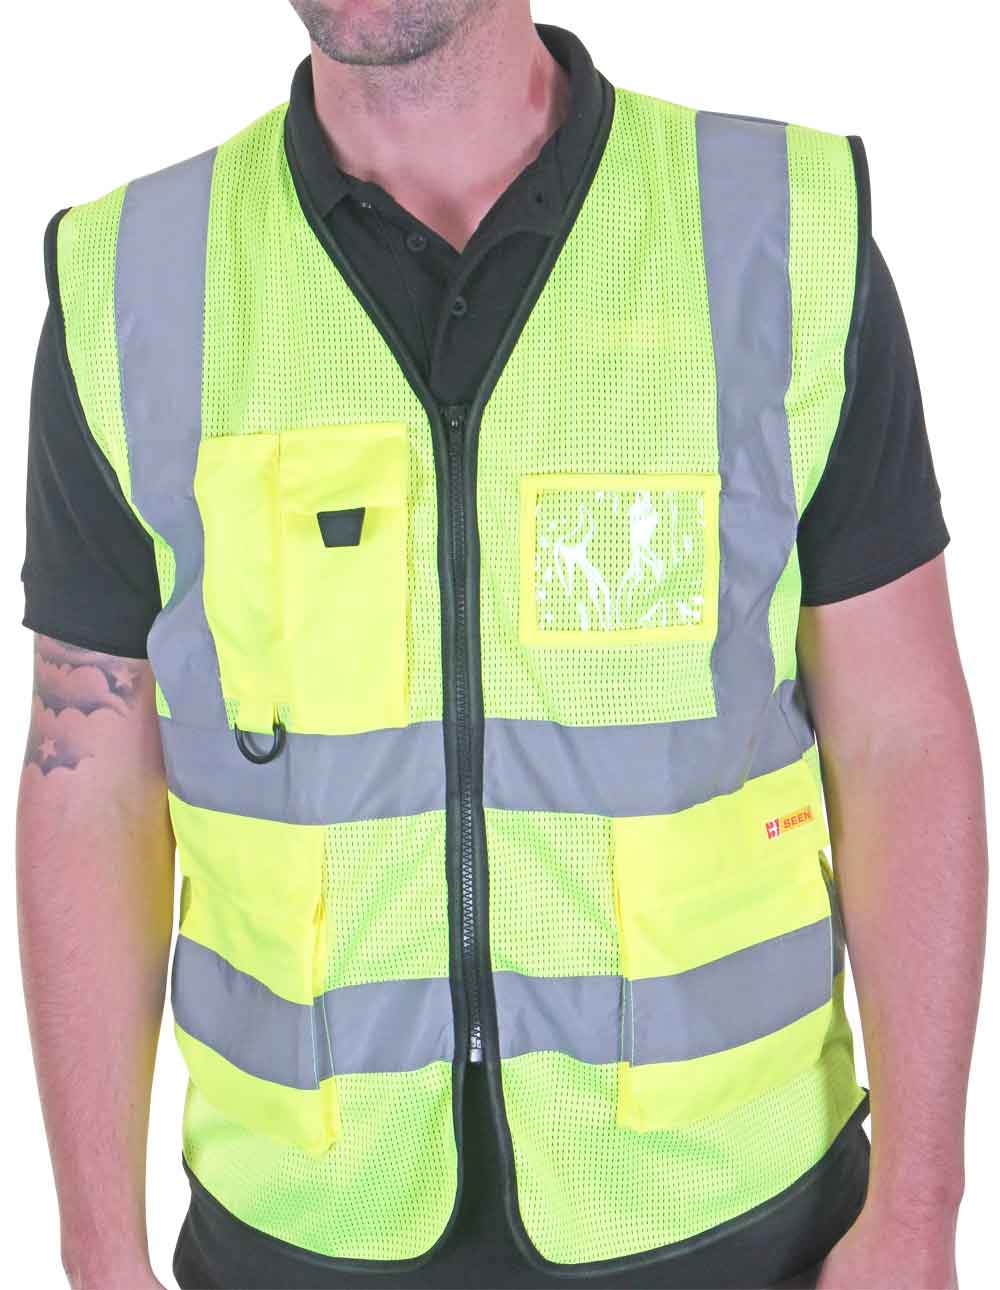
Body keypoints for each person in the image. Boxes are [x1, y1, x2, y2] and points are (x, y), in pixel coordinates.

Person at [17, 3, 986, 1288]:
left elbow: (901, 737)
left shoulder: (775, 232)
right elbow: (87, 788)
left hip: (740, 1224)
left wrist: (916, 1210)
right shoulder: (134, 281)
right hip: (298, 1233)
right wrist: (98, 1250)